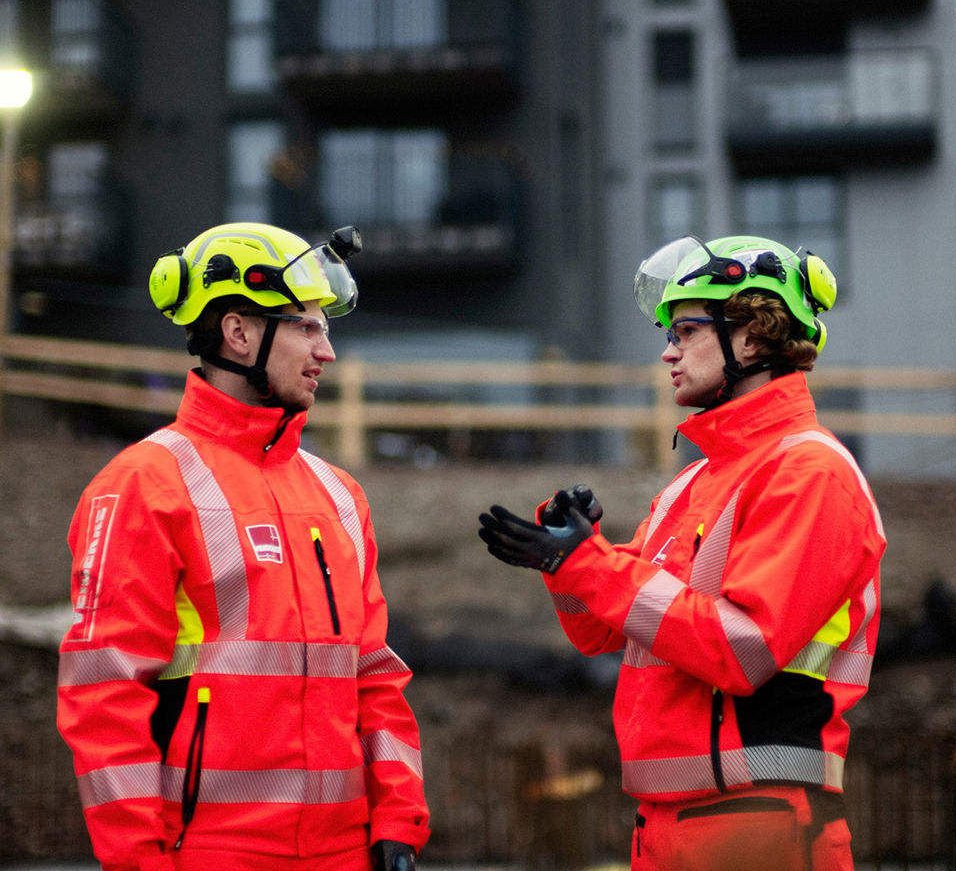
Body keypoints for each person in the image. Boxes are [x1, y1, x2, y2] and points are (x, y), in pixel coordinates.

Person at [478, 234, 885, 871]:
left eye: (686, 329)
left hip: (763, 828)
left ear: (753, 336)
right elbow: (601, 632)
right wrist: (565, 559)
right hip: (672, 825)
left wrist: (589, 563)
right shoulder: (695, 483)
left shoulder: (810, 473)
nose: (668, 351)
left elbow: (742, 649)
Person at [57, 222, 430, 871]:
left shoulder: (338, 494)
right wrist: (140, 862)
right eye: (307, 328)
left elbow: (375, 676)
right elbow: (103, 696)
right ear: (238, 331)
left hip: (345, 854)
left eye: (326, 329)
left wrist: (399, 818)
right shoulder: (144, 487)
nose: (327, 352)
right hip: (206, 855)